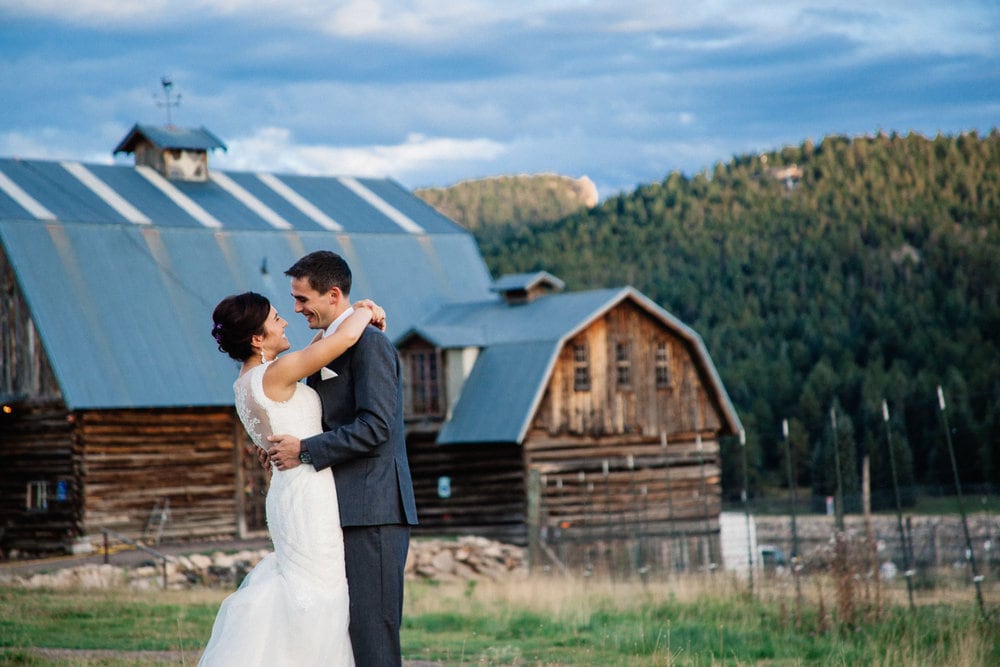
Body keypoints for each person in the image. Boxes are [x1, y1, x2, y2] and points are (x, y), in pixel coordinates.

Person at [201, 290, 384, 666]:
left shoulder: (246, 382)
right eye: (276, 319)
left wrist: (352, 316)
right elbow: (343, 340)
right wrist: (366, 310)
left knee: (303, 589)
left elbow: (322, 342)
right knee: (323, 594)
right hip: (308, 495)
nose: (286, 322)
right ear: (256, 338)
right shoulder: (278, 373)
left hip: (288, 492)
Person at [267, 250, 418, 667]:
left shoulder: (370, 344)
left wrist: (306, 449)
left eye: (302, 299)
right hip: (338, 511)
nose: (296, 309)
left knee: (373, 633)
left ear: (333, 294)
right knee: (342, 632)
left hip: (374, 511)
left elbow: (377, 427)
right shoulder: (335, 341)